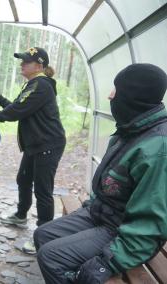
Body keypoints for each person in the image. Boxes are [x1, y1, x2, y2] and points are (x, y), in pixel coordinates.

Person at [34, 63, 167, 284]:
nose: (110, 95)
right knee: (43, 234)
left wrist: (108, 263)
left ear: (133, 96)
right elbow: (111, 188)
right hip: (102, 214)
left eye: (116, 89)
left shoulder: (157, 149)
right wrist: (91, 206)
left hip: (122, 230)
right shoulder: (131, 129)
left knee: (51, 257)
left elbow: (149, 227)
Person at [0, 47, 66, 232]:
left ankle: (43, 234)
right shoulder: (33, 84)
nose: (21, 64)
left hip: (48, 144)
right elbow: (17, 106)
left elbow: (15, 111)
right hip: (36, 144)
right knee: (23, 180)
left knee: (43, 190)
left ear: (39, 66)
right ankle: (21, 216)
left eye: (26, 61)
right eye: (22, 61)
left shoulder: (42, 85)